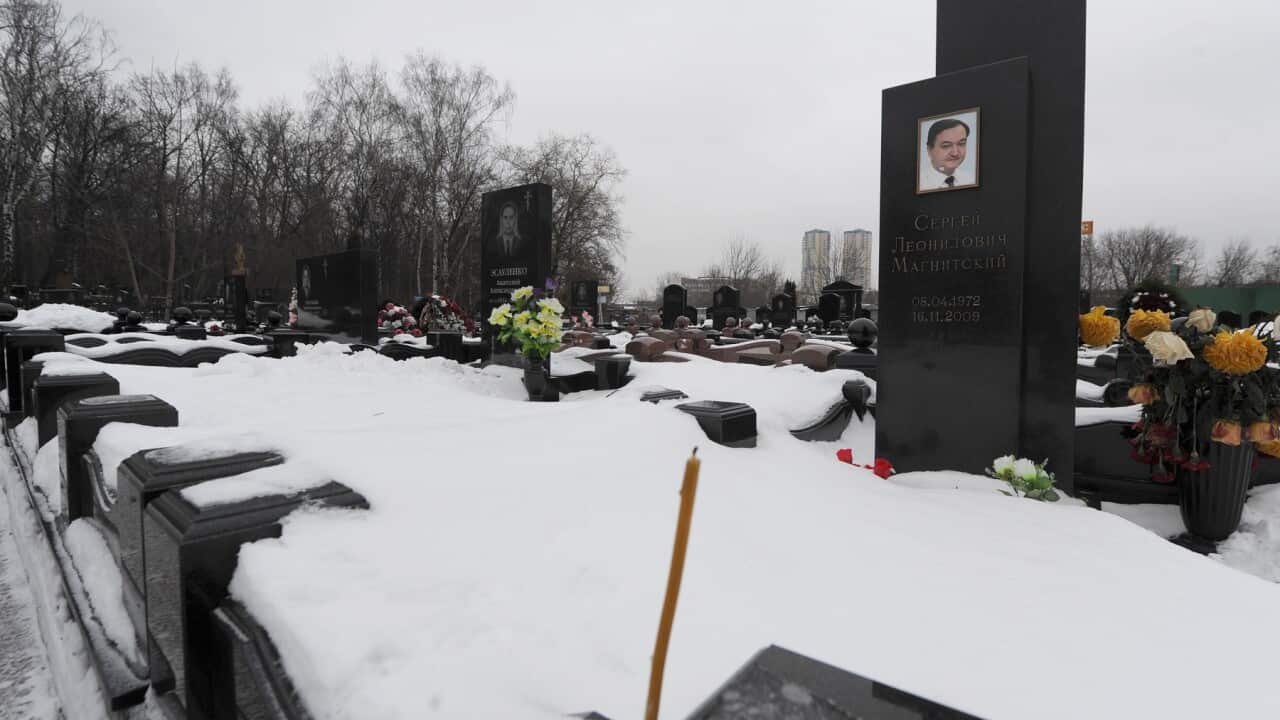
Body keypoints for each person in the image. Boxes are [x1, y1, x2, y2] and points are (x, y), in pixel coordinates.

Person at [919, 117, 975, 191]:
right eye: (946, 146)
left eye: (961, 143)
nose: (955, 153)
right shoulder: (920, 183)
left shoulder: (970, 179)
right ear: (929, 150)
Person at [486, 201, 523, 266]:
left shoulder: (521, 243)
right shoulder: (493, 243)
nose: (508, 222)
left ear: (515, 220)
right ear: (501, 219)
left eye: (511, 218)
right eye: (505, 217)